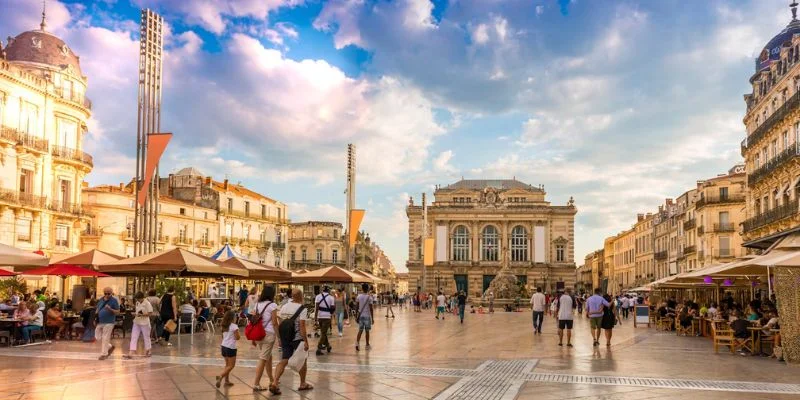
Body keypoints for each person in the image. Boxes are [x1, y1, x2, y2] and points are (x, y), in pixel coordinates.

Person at [273, 288, 313, 394]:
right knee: (303, 359)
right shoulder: (302, 308)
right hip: (297, 337)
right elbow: (302, 326)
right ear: (300, 296)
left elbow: (280, 321)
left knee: (284, 359)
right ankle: (302, 383)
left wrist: (280, 338)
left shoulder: (284, 306)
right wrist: (306, 341)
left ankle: (275, 382)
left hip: (285, 337)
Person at [252, 286, 279, 392]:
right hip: (269, 334)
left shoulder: (257, 304)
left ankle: (271, 379)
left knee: (268, 356)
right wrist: (279, 337)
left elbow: (253, 321)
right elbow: (274, 322)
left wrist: (253, 338)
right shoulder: (272, 305)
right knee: (263, 358)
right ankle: (256, 384)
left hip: (259, 334)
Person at [124, 292, 153, 359]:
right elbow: (137, 308)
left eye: (138, 299)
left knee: (146, 336)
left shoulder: (147, 303)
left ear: (142, 298)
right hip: (137, 321)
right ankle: (131, 351)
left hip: (145, 322)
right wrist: (131, 306)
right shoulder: (137, 302)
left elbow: (150, 313)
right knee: (134, 336)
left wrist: (141, 315)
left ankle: (148, 350)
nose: (137, 300)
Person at [216, 310, 239, 388]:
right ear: (232, 318)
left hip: (224, 346)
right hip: (231, 348)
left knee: (227, 365)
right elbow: (237, 337)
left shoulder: (224, 325)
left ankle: (226, 380)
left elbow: (223, 336)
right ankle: (220, 376)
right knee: (231, 366)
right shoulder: (234, 326)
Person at [96, 288, 120, 360]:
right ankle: (109, 346)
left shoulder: (114, 301)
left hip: (109, 322)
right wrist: (95, 318)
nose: (107, 295)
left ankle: (104, 354)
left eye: (108, 293)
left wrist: (110, 309)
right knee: (97, 336)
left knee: (105, 337)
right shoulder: (101, 299)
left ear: (111, 293)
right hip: (100, 321)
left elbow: (118, 312)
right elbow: (98, 309)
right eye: (105, 293)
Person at [314, 285, 335, 356]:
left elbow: (316, 309)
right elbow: (332, 308)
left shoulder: (318, 296)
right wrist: (331, 314)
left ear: (322, 290)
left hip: (320, 317)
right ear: (328, 290)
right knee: (323, 333)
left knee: (323, 332)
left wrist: (315, 319)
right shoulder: (331, 298)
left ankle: (328, 346)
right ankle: (319, 348)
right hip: (327, 317)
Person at [355, 283, 373, 351]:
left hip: (361, 316)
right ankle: (367, 345)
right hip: (367, 316)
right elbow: (371, 308)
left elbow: (356, 307)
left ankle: (357, 343)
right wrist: (372, 318)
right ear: (367, 289)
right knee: (367, 331)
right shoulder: (369, 297)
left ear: (362, 289)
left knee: (360, 330)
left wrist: (356, 315)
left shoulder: (359, 297)